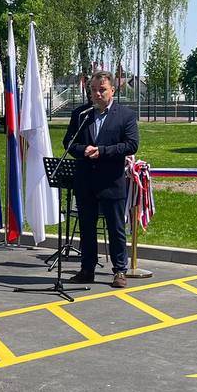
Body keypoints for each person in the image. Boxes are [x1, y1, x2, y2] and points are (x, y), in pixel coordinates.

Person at [62, 70, 139, 289]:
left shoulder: (125, 115)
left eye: (102, 90)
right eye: (93, 90)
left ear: (112, 90)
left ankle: (120, 270)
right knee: (86, 228)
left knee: (116, 229)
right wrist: (83, 150)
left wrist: (102, 151)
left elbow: (131, 145)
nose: (97, 94)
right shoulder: (81, 114)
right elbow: (68, 142)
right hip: (85, 181)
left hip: (111, 181)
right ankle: (87, 269)